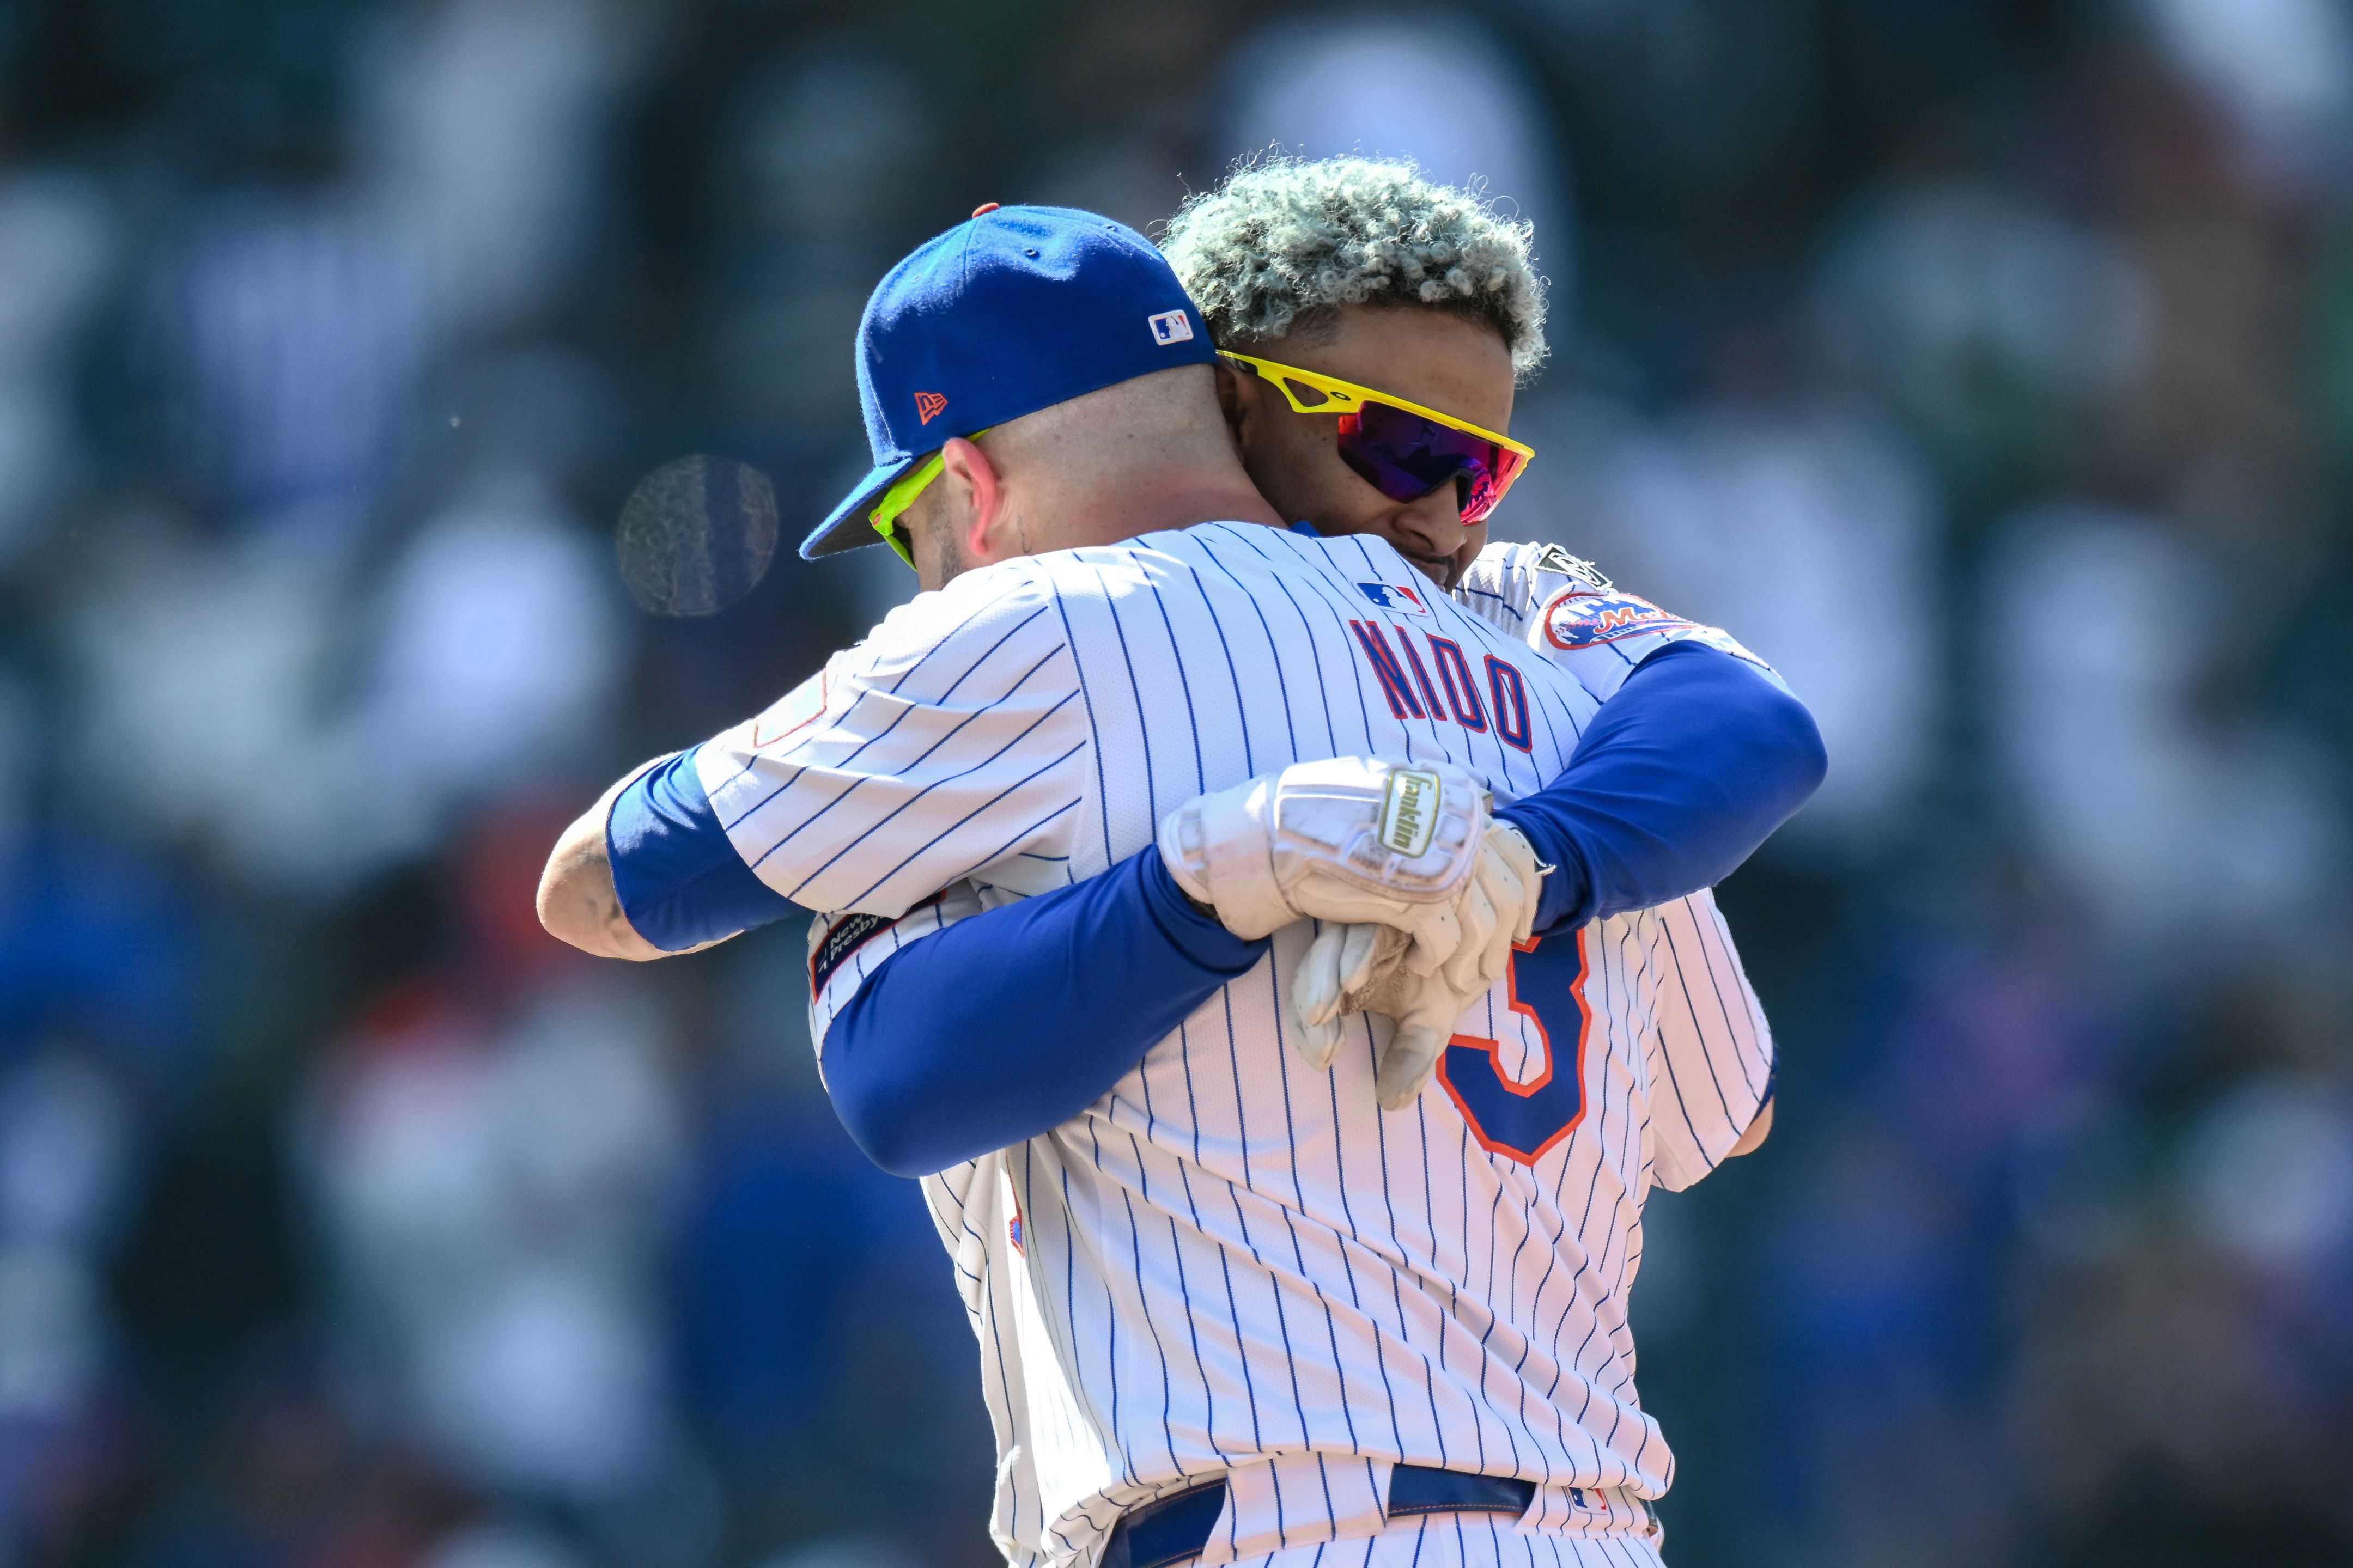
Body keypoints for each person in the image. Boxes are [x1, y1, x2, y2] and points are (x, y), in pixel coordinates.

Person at [539, 199, 1823, 1567]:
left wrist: (1209, 889)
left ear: (966, 492)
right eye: (1402, 446)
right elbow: (1730, 1112)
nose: (1443, 505)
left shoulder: (1031, 623)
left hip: (1270, 1533)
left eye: (913, 540)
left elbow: (605, 890)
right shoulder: (1574, 715)